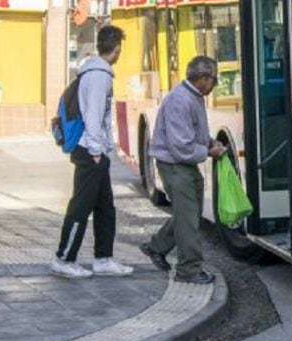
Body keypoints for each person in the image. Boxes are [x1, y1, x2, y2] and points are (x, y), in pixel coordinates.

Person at [51, 25, 134, 279]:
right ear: (117, 49)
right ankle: (64, 258)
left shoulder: (93, 71)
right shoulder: (99, 76)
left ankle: (103, 258)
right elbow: (94, 115)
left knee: (105, 207)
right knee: (81, 206)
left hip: (93, 150)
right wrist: (98, 150)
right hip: (90, 151)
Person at [140, 56, 224, 284]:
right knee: (188, 218)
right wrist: (209, 152)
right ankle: (188, 270)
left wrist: (209, 142)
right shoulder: (181, 100)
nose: (215, 84)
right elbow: (181, 147)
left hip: (183, 164)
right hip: (176, 166)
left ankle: (156, 247)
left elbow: (193, 132)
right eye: (213, 79)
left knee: (189, 213)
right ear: (202, 78)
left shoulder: (193, 97)